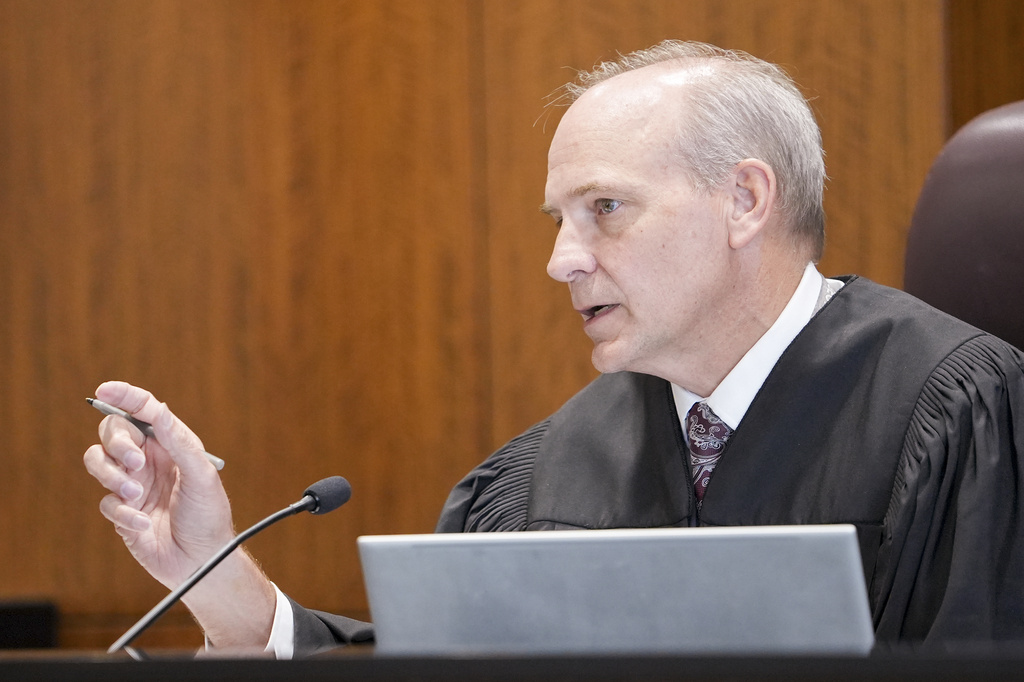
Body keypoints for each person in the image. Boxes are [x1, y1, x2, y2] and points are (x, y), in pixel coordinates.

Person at [83, 40, 1024, 655]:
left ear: (745, 200)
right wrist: (213, 573)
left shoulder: (954, 414)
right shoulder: (544, 473)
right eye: (559, 219)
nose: (561, 260)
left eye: (604, 209)